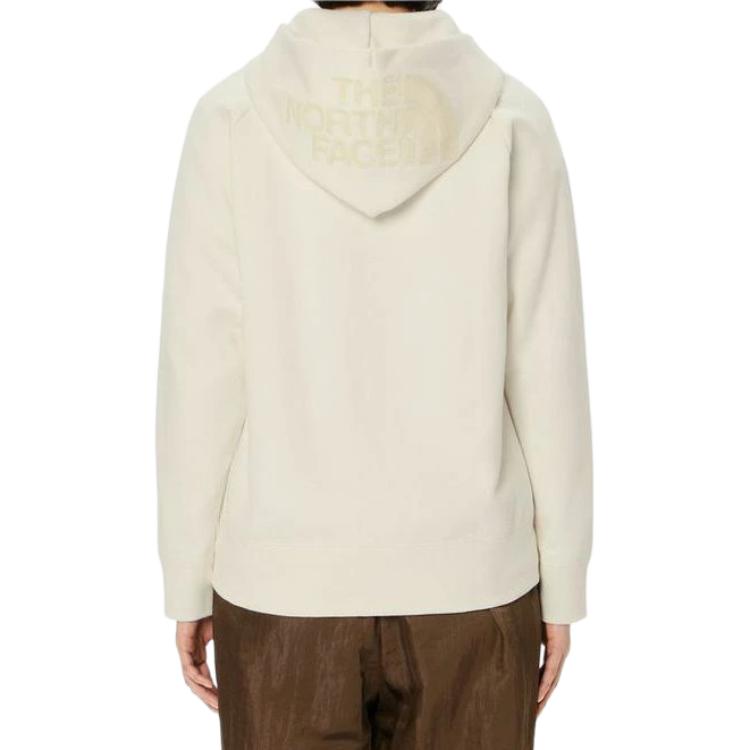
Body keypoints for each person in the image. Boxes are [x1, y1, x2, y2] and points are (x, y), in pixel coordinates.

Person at [156, 1, 593, 747]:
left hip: (282, 585)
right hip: (475, 583)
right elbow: (547, 367)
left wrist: (188, 575)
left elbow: (202, 371)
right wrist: (564, 580)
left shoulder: (231, 120)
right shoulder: (513, 120)